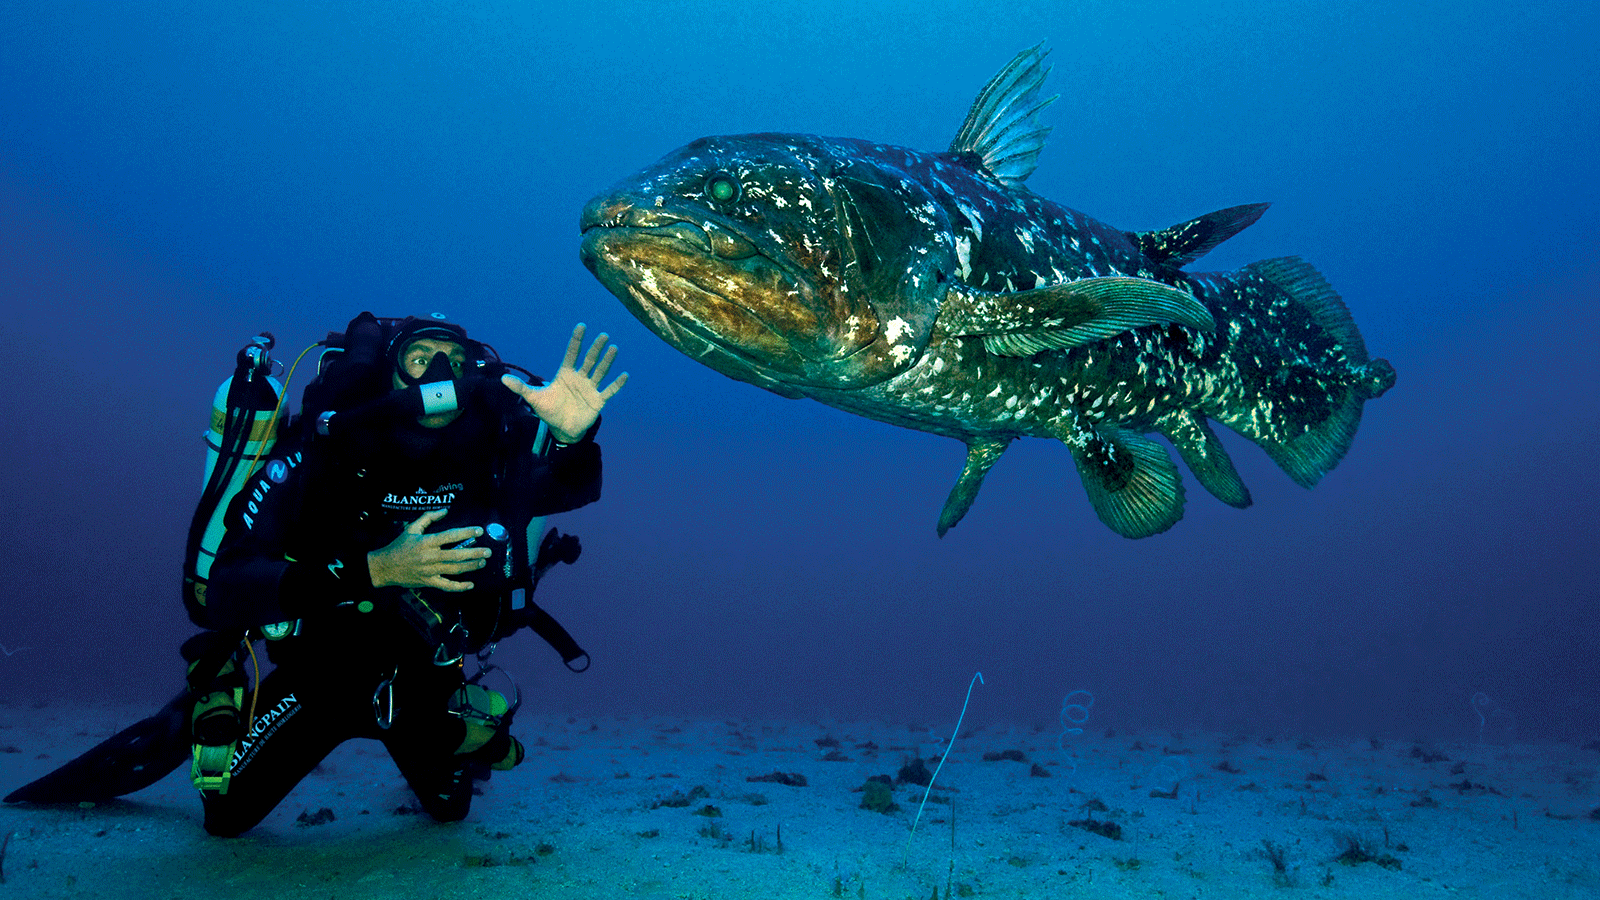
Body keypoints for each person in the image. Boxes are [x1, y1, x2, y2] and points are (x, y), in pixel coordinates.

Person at [189, 315, 626, 837]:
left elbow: (557, 490)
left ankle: (456, 733)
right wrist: (375, 569)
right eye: (419, 360)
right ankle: (216, 693)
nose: (440, 374)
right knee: (225, 815)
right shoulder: (326, 446)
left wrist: (571, 440)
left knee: (451, 810)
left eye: (456, 363)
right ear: (387, 373)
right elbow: (228, 588)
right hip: (321, 673)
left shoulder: (487, 450)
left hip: (423, 681)